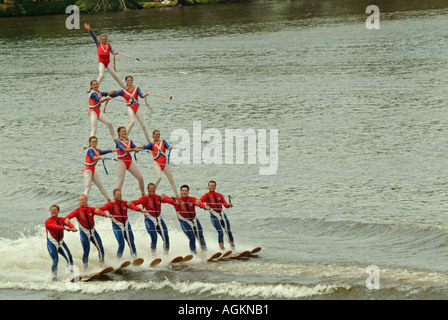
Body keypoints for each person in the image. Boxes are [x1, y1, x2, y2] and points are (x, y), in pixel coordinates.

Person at [64, 194, 111, 271]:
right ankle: (85, 268)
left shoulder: (91, 209)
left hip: (93, 231)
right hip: (84, 233)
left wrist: (105, 214)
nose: (82, 201)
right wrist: (68, 221)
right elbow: (67, 217)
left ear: (86, 200)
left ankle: (102, 265)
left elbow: (99, 212)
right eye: (81, 200)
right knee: (86, 251)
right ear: (79, 201)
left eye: (84, 199)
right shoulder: (77, 211)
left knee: (100, 248)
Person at [131, 183, 179, 255]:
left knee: (165, 235)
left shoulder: (159, 197)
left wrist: (174, 201)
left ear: (155, 189)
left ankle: (166, 254)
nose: (152, 190)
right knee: (154, 236)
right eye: (150, 189)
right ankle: (153, 254)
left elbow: (169, 200)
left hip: (159, 219)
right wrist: (133, 205)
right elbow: (134, 203)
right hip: (149, 220)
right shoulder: (144, 198)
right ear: (147, 189)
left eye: (153, 188)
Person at [100, 188, 145, 259]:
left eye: (120, 195)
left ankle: (135, 258)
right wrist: (104, 214)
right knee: (122, 244)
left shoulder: (125, 203)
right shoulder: (110, 204)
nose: (119, 196)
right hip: (117, 226)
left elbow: (133, 207)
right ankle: (118, 259)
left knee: (131, 243)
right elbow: (101, 209)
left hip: (127, 225)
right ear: (114, 195)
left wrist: (140, 209)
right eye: (118, 195)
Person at [166, 185, 210, 255]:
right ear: (180, 192)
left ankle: (205, 253)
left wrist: (204, 206)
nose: (184, 192)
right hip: (184, 222)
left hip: (194, 220)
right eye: (183, 191)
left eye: (186, 191)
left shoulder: (192, 199)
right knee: (192, 237)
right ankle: (194, 255)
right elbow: (165, 198)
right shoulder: (175, 200)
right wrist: (162, 196)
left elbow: (198, 202)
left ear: (188, 192)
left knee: (200, 237)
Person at [110, 76, 153, 143]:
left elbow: (141, 95)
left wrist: (145, 94)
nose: (130, 81)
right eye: (128, 80)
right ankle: (125, 137)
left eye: (131, 80)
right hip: (130, 107)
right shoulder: (122, 91)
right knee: (132, 122)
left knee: (143, 125)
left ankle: (149, 141)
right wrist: (107, 95)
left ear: (132, 81)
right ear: (126, 81)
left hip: (137, 107)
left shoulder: (136, 88)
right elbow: (113, 95)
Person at [84, 23, 125, 89]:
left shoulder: (108, 45)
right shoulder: (98, 44)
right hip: (101, 62)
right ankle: (93, 88)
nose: (104, 41)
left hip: (108, 63)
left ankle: (124, 88)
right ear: (100, 40)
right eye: (102, 40)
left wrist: (115, 52)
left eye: (105, 40)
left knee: (115, 76)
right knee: (101, 75)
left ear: (107, 40)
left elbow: (112, 51)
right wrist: (90, 30)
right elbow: (94, 37)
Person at [140, 130, 178, 197]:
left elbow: (168, 147)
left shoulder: (163, 141)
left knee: (171, 179)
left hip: (165, 164)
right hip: (157, 163)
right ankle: (151, 192)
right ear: (153, 135)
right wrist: (137, 148)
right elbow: (145, 147)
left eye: (158, 134)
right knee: (159, 177)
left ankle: (177, 195)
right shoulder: (151, 144)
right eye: (156, 134)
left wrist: (172, 148)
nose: (157, 136)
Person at [45, 204, 77, 281]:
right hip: (52, 243)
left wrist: (73, 228)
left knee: (69, 257)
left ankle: (70, 275)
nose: (53, 212)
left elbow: (67, 222)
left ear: (58, 211)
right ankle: (54, 277)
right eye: (52, 210)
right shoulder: (48, 221)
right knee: (55, 259)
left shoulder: (62, 219)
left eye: (55, 210)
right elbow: (55, 227)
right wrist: (65, 228)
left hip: (61, 242)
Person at [200, 181, 235, 251]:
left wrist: (229, 205)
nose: (212, 187)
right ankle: (222, 248)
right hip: (214, 216)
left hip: (222, 215)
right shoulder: (206, 195)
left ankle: (233, 247)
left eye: (213, 186)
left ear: (215, 187)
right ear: (208, 187)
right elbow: (199, 202)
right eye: (210, 186)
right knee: (220, 232)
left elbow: (225, 205)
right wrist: (204, 207)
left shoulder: (220, 195)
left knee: (228, 231)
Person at [83, 136, 117, 202]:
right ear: (90, 143)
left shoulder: (97, 151)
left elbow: (106, 151)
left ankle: (109, 200)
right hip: (87, 171)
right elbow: (93, 157)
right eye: (93, 142)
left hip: (92, 171)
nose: (95, 143)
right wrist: (100, 157)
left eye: (96, 141)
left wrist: (116, 149)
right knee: (87, 187)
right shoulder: (90, 150)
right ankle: (83, 203)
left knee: (100, 186)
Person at [115, 126, 145, 196]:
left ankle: (143, 194)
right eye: (122, 131)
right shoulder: (118, 142)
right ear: (119, 133)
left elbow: (135, 147)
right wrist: (134, 150)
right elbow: (124, 150)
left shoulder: (129, 141)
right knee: (121, 181)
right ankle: (116, 197)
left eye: (125, 131)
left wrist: (139, 148)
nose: (124, 132)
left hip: (129, 162)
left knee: (140, 178)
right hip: (122, 162)